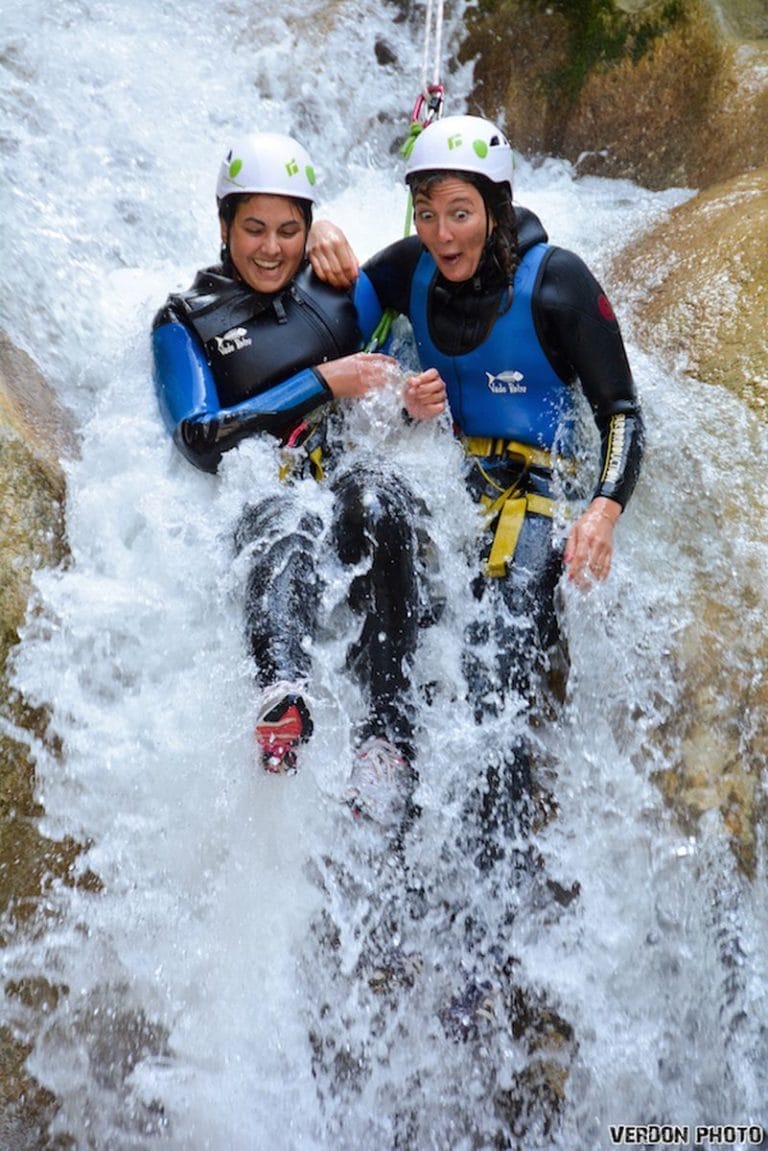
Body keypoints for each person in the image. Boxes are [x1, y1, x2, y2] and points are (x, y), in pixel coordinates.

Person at [309, 114, 644, 858]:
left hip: (535, 491)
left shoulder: (558, 282)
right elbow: (314, 335)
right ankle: (385, 757)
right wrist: (315, 235)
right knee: (376, 523)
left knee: (498, 652)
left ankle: (495, 879)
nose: (441, 234)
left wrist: (605, 508)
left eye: (459, 213)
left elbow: (621, 411)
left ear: (494, 207)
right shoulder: (406, 269)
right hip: (448, 476)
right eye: (426, 214)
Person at [151, 131, 446, 823]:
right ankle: (282, 694)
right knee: (284, 518)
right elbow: (198, 438)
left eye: (290, 228)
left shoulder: (339, 291)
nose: (271, 247)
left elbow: (467, 249)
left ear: (311, 226)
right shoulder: (186, 318)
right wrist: (321, 381)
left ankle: (388, 735)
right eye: (253, 228)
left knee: (376, 493)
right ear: (224, 225)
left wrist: (405, 403)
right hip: (265, 501)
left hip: (350, 492)